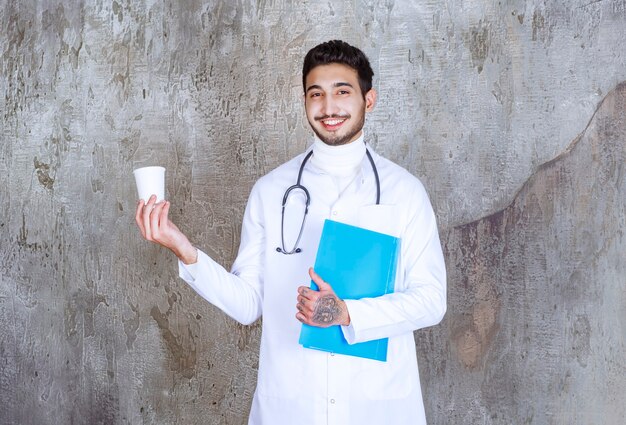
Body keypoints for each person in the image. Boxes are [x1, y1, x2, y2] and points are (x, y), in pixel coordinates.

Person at [136, 40, 446, 425]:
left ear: (369, 100)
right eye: (316, 94)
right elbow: (248, 304)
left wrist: (348, 313)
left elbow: (432, 301)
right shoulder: (271, 190)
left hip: (377, 407)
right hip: (292, 407)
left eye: (342, 92)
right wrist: (184, 250)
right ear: (304, 101)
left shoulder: (405, 192)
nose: (328, 107)